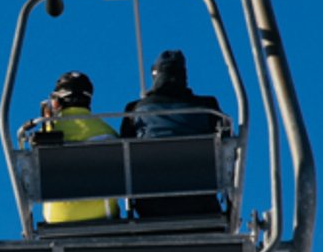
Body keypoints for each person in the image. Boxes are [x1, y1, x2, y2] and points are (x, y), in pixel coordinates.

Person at [118, 49, 228, 221]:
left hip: (151, 203)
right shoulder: (208, 106)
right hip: (200, 200)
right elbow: (227, 144)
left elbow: (124, 149)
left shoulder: (135, 109)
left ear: (155, 76)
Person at [38, 70, 119, 227]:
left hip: (57, 218)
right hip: (103, 214)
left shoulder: (47, 132)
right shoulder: (107, 133)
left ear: (57, 100)